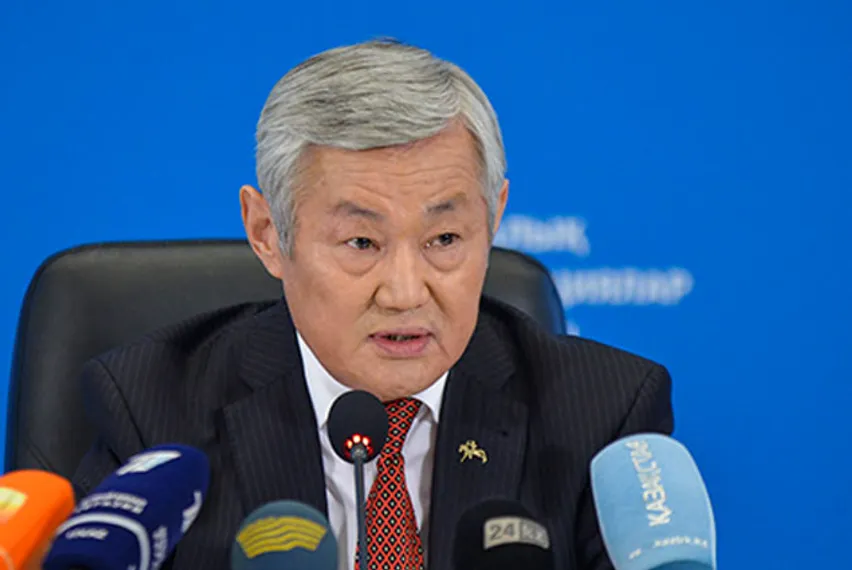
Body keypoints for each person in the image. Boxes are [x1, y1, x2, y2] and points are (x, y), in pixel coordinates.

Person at [73, 39, 674, 570]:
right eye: (362, 243)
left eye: (445, 239)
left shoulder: (602, 419)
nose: (406, 293)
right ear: (267, 234)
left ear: (493, 218)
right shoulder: (153, 411)